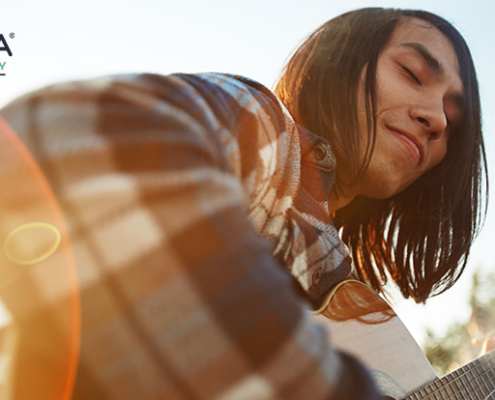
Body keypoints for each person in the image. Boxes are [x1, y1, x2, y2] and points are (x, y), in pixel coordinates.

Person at [0, 6, 486, 400]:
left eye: (453, 117)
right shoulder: (266, 131)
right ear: (339, 60)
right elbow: (64, 136)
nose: (438, 119)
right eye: (412, 72)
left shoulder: (350, 298)